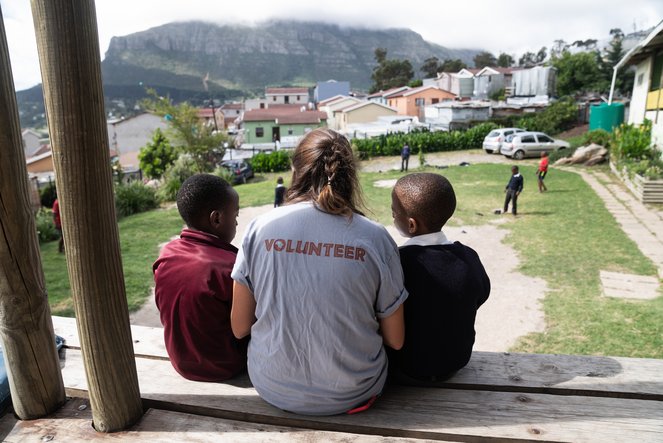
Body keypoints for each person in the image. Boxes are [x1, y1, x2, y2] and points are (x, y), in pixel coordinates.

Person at [231, 128, 407, 416]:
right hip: (354, 392)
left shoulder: (259, 228)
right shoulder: (375, 238)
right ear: (350, 176)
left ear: (295, 170)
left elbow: (239, 327)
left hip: (271, 386)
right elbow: (395, 339)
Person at [388, 173, 490, 384]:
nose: (392, 217)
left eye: (394, 212)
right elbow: (481, 295)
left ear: (411, 225)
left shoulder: (397, 262)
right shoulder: (468, 256)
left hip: (408, 367)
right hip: (456, 361)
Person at [153, 174, 247, 382]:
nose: (237, 222)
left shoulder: (166, 255)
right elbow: (246, 326)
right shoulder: (230, 266)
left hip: (180, 362)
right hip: (224, 367)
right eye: (236, 215)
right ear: (217, 219)